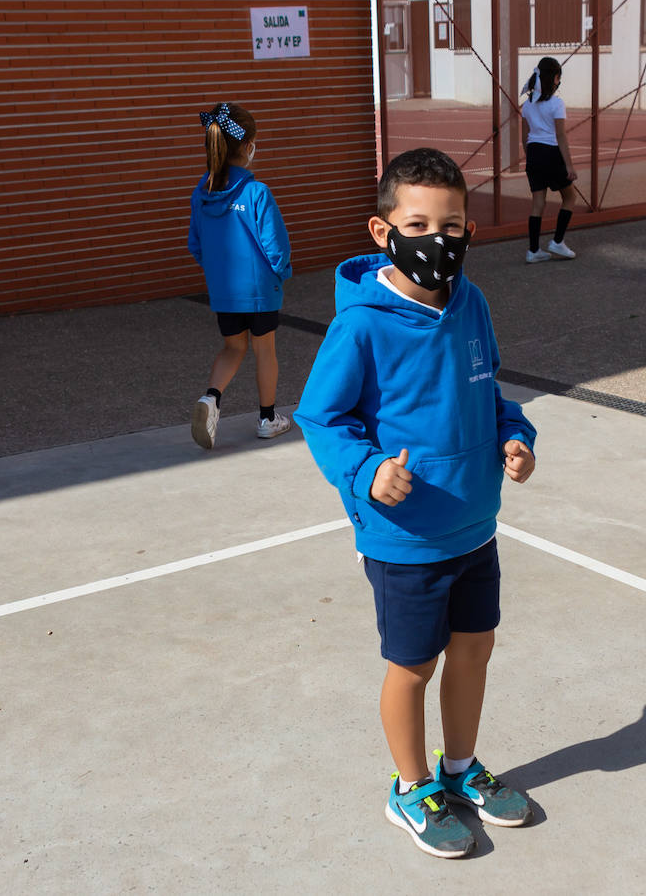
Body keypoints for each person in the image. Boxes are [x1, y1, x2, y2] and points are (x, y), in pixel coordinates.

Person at [294, 148, 537, 859]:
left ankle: (459, 769)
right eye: (420, 223)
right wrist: (366, 470)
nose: (440, 239)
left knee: (474, 649)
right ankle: (411, 786)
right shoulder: (362, 325)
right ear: (382, 231)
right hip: (404, 538)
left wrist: (514, 438)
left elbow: (489, 393)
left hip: (473, 524)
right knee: (413, 665)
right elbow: (321, 417)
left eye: (453, 224)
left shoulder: (472, 302)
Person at [187, 102, 292, 449]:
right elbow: (276, 247)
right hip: (260, 290)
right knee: (265, 350)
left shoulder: (201, 196)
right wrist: (281, 273)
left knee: (233, 347)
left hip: (224, 291)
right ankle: (267, 418)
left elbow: (196, 245)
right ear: (247, 146)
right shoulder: (257, 192)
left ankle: (210, 398)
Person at [521, 56, 577, 263]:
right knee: (569, 198)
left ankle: (533, 250)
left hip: (534, 153)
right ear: (555, 78)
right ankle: (557, 241)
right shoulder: (556, 103)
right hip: (552, 153)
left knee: (538, 202)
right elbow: (561, 136)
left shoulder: (526, 105)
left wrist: (532, 161)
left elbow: (524, 137)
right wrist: (569, 165)